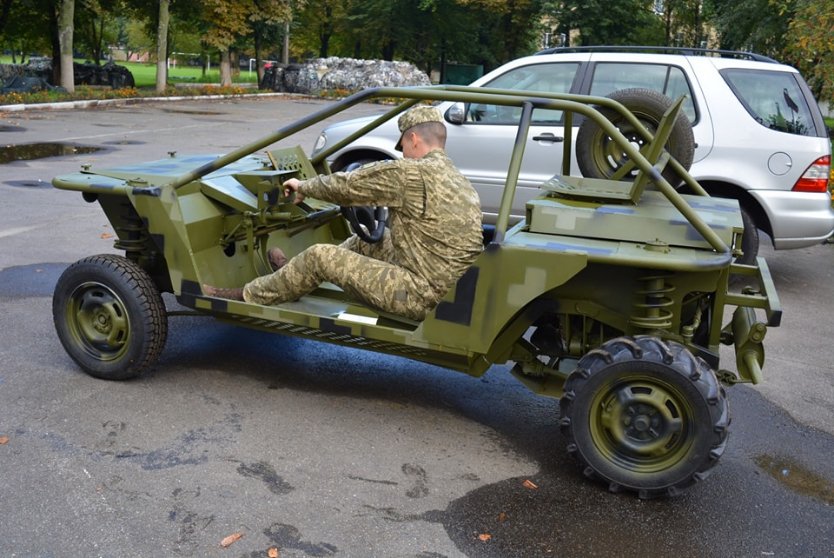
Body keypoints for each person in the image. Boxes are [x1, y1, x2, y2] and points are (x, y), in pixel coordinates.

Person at [203, 105, 483, 321]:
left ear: (413, 138)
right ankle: (293, 277)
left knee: (319, 256)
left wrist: (303, 187)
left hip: (419, 294)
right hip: (447, 286)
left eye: (403, 147)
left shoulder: (412, 173)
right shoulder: (458, 179)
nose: (403, 153)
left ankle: (245, 295)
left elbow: (349, 185)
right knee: (367, 239)